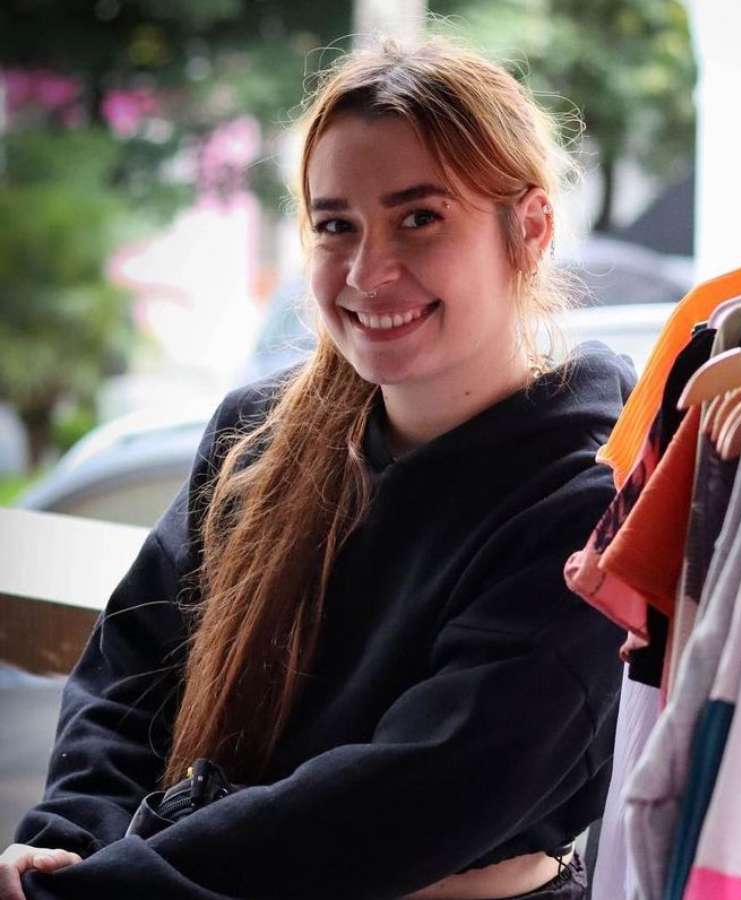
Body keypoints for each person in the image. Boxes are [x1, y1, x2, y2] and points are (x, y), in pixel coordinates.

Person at [2, 35, 634, 900]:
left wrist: (107, 890)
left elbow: (406, 798)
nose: (369, 272)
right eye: (336, 226)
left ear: (529, 229)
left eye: (420, 218)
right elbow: (130, 673)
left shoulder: (592, 506)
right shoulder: (256, 438)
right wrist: (67, 844)